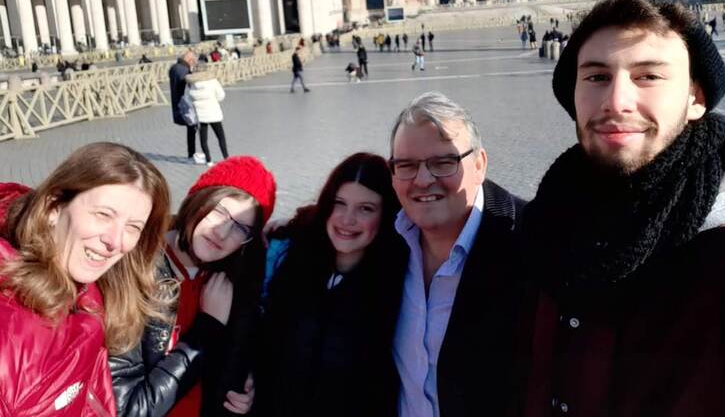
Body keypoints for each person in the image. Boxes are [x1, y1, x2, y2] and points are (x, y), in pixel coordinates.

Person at [517, 0, 725, 416]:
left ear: (696, 99)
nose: (616, 101)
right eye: (596, 77)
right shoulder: (548, 224)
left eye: (648, 76)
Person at [0, 142, 171, 416]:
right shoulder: (10, 321)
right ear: (54, 206)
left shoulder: (90, 299)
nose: (115, 241)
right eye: (103, 215)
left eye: (133, 227)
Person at [389, 92, 526, 417]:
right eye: (407, 165)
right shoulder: (386, 242)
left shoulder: (529, 242)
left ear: (479, 164)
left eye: (443, 162)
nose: (423, 180)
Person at [111, 156, 276, 417]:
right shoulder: (134, 268)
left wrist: (244, 386)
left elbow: (236, 356)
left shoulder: (231, 279)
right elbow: (127, 409)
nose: (222, 234)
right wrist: (207, 327)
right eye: (220, 212)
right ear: (197, 200)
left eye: (241, 229)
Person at [256, 153, 405, 416]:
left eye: (366, 208)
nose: (347, 219)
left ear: (386, 215)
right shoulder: (290, 257)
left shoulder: (397, 282)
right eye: (339, 203)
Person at [185, 64, 229, 167]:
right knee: (220, 136)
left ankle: (209, 160)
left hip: (200, 115)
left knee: (203, 138)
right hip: (213, 112)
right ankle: (226, 157)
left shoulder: (192, 84)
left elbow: (189, 98)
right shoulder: (212, 82)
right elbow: (221, 95)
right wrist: (213, 101)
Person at [170, 51, 201, 164]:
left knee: (191, 127)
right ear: (189, 60)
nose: (193, 62)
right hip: (185, 104)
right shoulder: (183, 70)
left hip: (178, 102)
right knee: (193, 126)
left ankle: (191, 153)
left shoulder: (174, 67)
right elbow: (189, 83)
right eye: (193, 60)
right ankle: (192, 153)